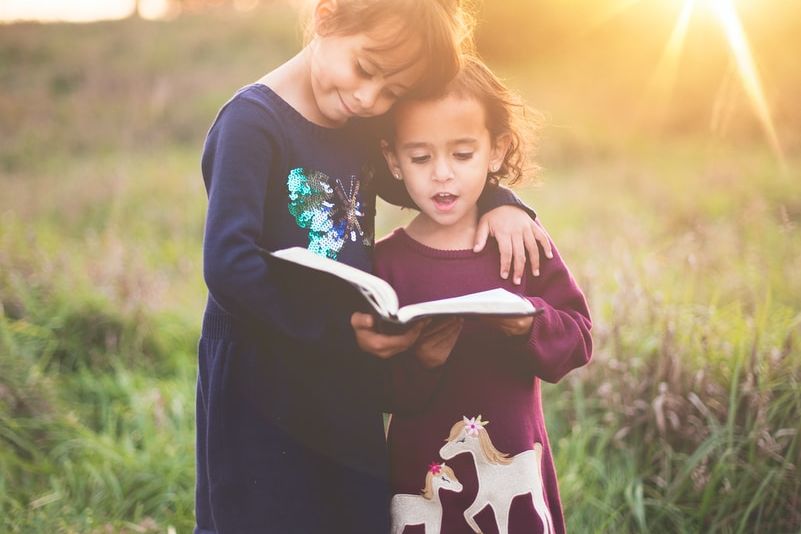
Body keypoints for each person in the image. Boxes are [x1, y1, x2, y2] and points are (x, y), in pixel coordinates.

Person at [196, 1, 551, 532]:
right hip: (261, 378)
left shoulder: (358, 124)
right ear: (326, 15)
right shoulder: (252, 124)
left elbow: (425, 183)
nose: (369, 99)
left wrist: (502, 202)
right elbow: (228, 265)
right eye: (365, 69)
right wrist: (339, 332)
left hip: (345, 376)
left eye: (392, 93)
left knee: (351, 512)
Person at [376, 56, 593, 534]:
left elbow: (579, 339)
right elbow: (373, 388)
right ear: (393, 159)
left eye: (462, 154)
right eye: (420, 158)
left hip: (513, 461)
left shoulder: (519, 242)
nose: (442, 175)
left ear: (496, 151)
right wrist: (422, 362)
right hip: (420, 471)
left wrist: (529, 324)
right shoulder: (386, 264)